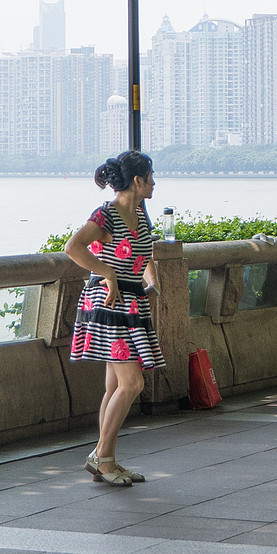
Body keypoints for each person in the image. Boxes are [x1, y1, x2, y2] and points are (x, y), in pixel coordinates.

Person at [63, 150, 167, 485]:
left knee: (115, 386)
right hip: (109, 302)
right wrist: (106, 270)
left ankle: (105, 457)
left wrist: (151, 278)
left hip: (132, 301)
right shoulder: (106, 215)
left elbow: (143, 249)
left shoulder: (140, 212)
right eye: (150, 176)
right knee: (132, 383)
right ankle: (102, 458)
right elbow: (73, 247)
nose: (154, 182)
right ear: (137, 181)